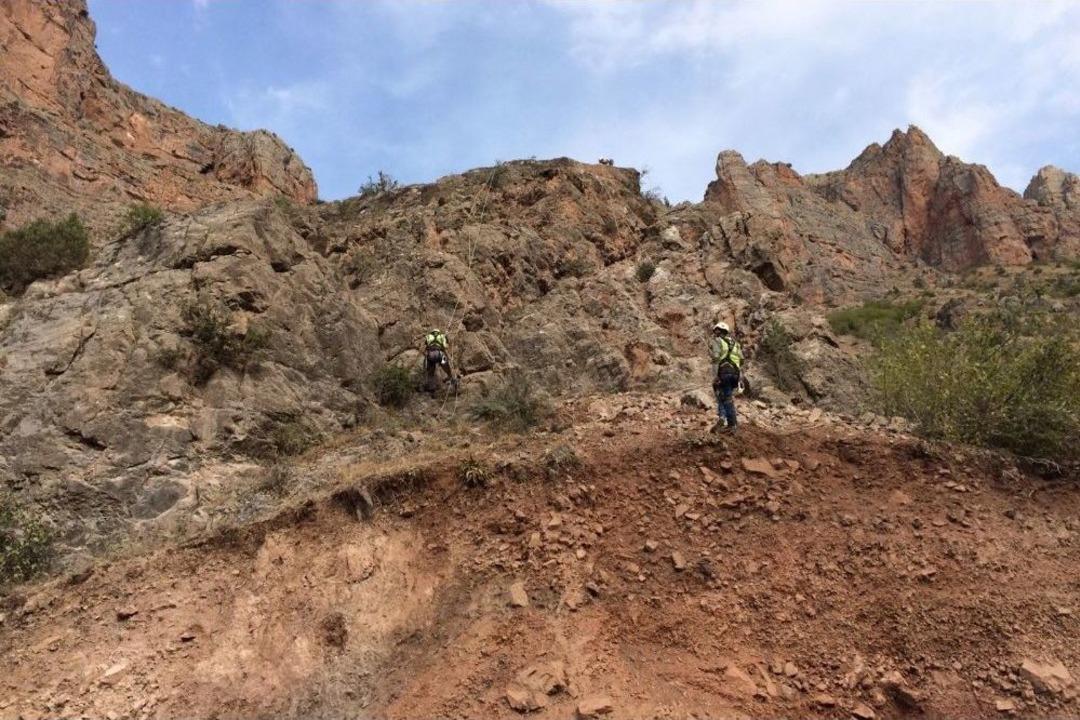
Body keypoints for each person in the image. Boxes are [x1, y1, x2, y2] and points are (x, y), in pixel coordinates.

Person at [709, 321, 743, 432]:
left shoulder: (717, 341)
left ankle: (730, 423)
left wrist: (715, 376)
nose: (715, 334)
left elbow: (716, 358)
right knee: (724, 395)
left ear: (718, 331)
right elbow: (741, 359)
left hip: (724, 372)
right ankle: (724, 420)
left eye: (716, 331)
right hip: (735, 374)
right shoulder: (736, 343)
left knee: (724, 397)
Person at [422, 328, 454, 393]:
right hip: (440, 354)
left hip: (431, 355)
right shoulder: (442, 336)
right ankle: (451, 378)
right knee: (446, 367)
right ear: (438, 332)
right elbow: (445, 346)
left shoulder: (428, 336)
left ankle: (432, 389)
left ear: (432, 332)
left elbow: (426, 345)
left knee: (431, 373)